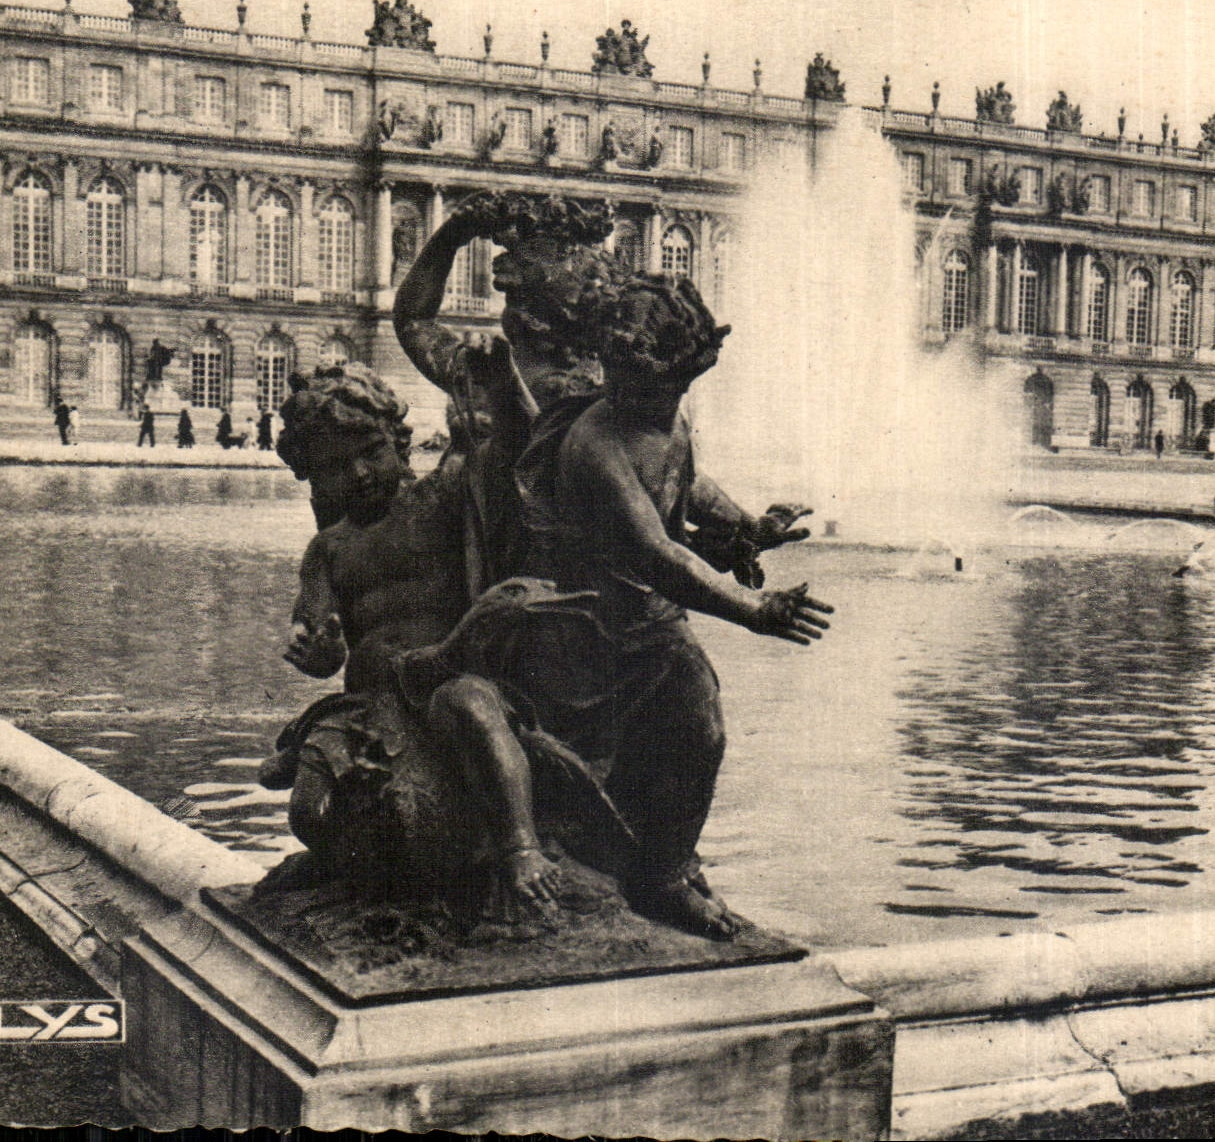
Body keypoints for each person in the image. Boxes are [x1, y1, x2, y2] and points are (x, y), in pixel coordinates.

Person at [518, 273, 828, 938]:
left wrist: (748, 525)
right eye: (652, 390)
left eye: (678, 388)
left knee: (699, 730)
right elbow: (659, 553)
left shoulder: (668, 415)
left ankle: (665, 869)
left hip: (650, 621)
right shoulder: (595, 444)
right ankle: (622, 872)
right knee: (596, 762)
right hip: (590, 630)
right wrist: (755, 609)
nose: (667, 403)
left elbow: (687, 479)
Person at [259, 364, 576, 920]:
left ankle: (521, 849)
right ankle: (339, 859)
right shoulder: (328, 550)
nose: (358, 473)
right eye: (335, 466)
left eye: (371, 451)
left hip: (449, 678)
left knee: (470, 705)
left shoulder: (438, 501)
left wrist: (499, 383)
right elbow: (317, 634)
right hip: (370, 705)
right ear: (310, 473)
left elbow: (510, 454)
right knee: (307, 810)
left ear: (398, 443)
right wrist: (320, 654)